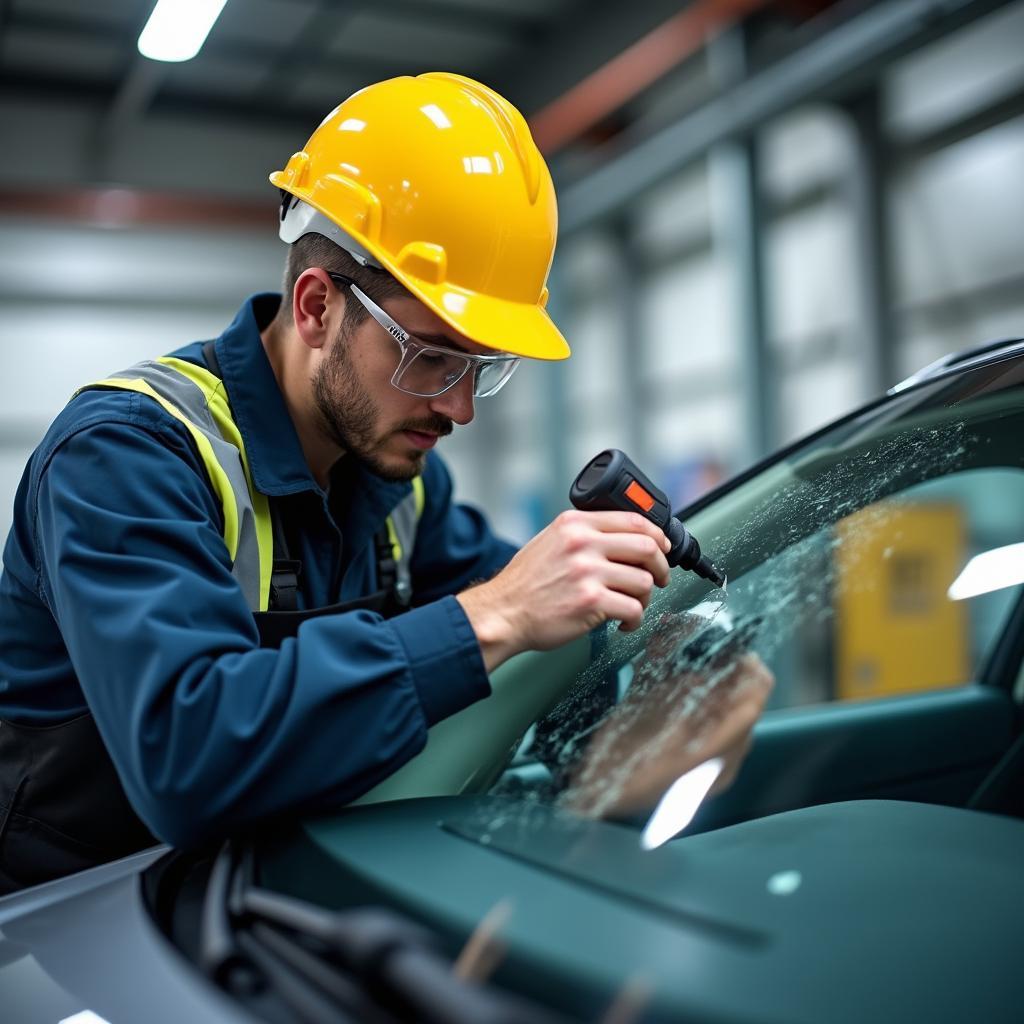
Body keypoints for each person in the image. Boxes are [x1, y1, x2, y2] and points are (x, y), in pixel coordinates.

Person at [0, 73, 770, 894]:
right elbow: (189, 763)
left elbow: (536, 639)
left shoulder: (397, 486)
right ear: (316, 307)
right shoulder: (127, 457)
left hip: (270, 911)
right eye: (433, 356)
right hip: (72, 938)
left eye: (483, 366)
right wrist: (499, 613)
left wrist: (650, 679)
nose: (461, 408)